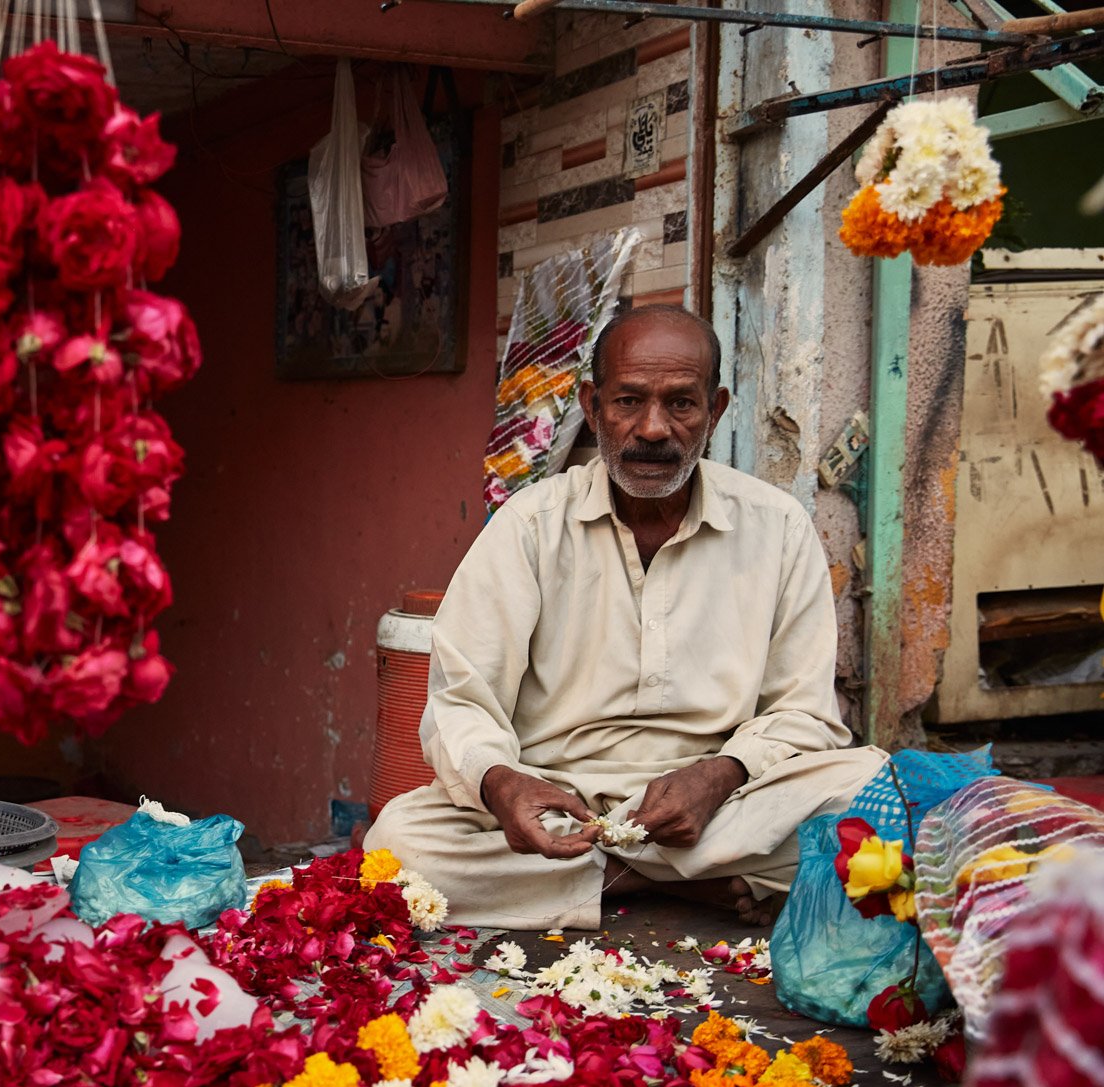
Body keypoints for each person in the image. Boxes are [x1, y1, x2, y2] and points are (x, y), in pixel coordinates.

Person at [368, 305, 886, 930]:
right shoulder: (528, 527)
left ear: (715, 410)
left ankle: (607, 881)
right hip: (563, 803)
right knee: (400, 846)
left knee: (878, 794)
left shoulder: (777, 527)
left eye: (681, 405)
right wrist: (504, 784)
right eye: (628, 401)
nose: (653, 428)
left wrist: (720, 774)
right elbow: (461, 703)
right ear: (592, 406)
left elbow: (803, 713)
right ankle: (663, 880)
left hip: (720, 803)